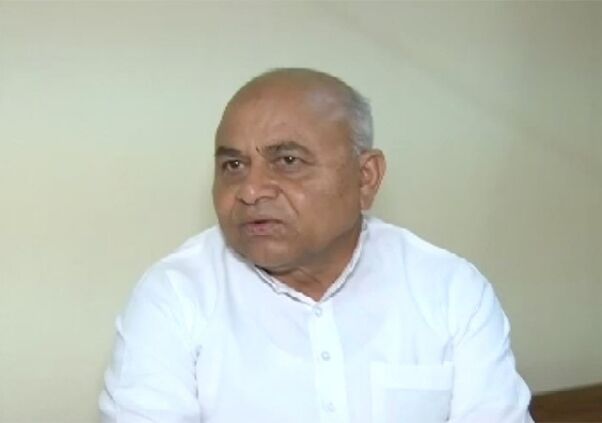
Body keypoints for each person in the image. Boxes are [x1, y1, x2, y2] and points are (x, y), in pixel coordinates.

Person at [100, 68, 533, 422]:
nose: (250, 190)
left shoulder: (450, 290)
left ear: (366, 178)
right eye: (233, 165)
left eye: (287, 161)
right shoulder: (175, 296)